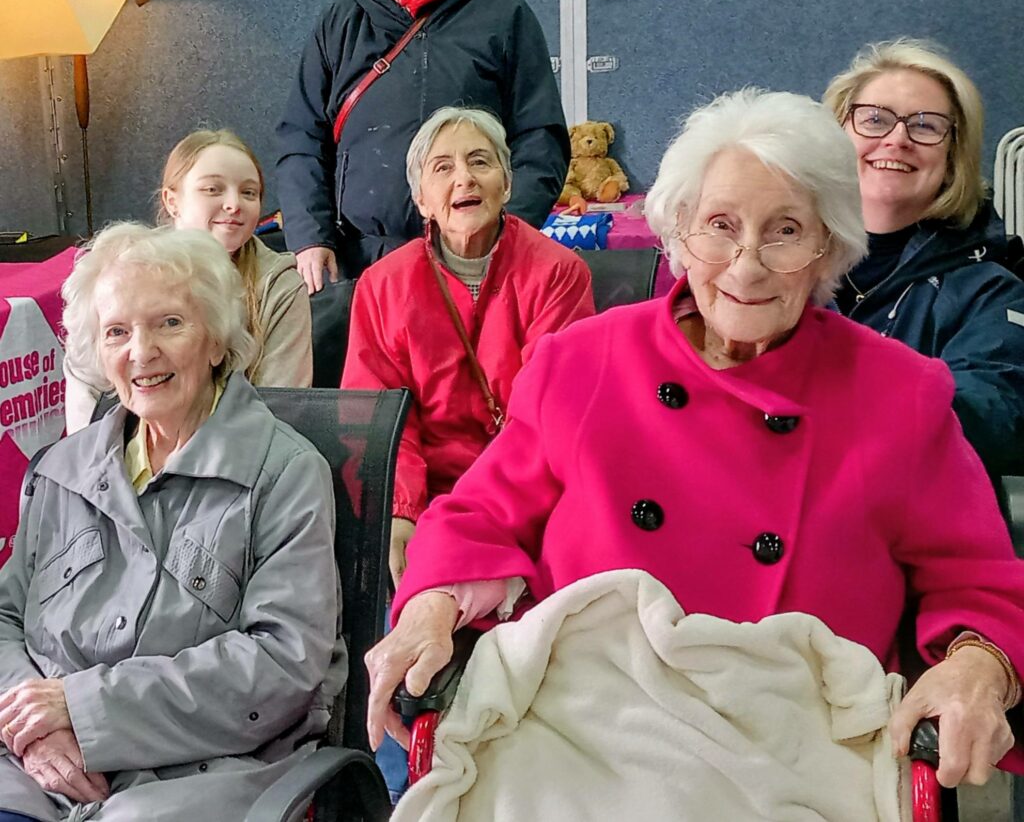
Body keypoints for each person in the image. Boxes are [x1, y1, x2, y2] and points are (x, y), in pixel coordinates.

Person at [365, 89, 1024, 790]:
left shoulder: (899, 392)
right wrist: (430, 611)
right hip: (578, 738)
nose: (746, 265)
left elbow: (978, 579)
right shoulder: (582, 361)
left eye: (785, 231)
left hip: (793, 756)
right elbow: (481, 515)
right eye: (720, 225)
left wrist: (977, 666)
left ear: (830, 244)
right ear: (679, 230)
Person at [0, 223, 341, 821]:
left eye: (170, 323)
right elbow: (4, 617)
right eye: (117, 332)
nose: (141, 351)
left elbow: (283, 663)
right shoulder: (58, 469)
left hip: (203, 775)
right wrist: (33, 728)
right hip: (40, 769)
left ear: (216, 340)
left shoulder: (284, 473)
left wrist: (82, 709)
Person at [275, 0, 569, 292]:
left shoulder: (505, 16)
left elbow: (540, 138)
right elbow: (301, 137)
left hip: (475, 266)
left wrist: (505, 237)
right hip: (362, 267)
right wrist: (310, 238)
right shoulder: (340, 24)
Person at [341, 106, 594, 590]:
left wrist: (489, 519)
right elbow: (374, 416)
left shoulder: (559, 273)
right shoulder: (381, 286)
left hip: (529, 491)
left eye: (480, 162)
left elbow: (552, 414)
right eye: (443, 167)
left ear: (506, 183)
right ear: (421, 199)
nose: (464, 179)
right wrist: (400, 512)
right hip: (426, 496)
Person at [824, 39, 1024, 484]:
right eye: (874, 119)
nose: (897, 139)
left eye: (925, 126)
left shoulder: (990, 291)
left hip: (917, 538)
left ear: (953, 156)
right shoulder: (780, 265)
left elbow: (997, 412)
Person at [63, 129, 312, 432]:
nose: (234, 204)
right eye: (213, 189)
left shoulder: (280, 284)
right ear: (172, 200)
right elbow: (86, 385)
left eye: (249, 192)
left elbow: (283, 405)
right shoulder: (121, 272)